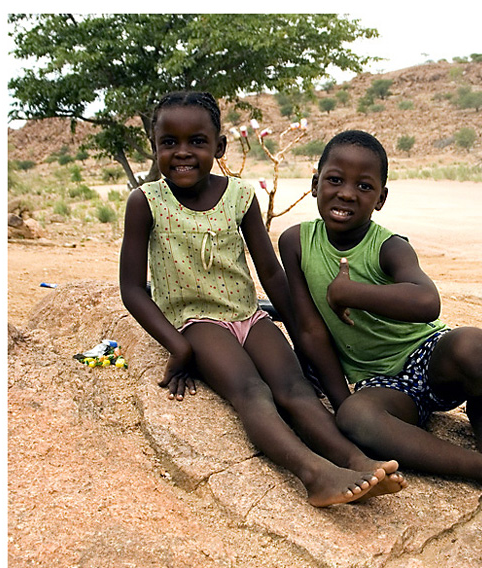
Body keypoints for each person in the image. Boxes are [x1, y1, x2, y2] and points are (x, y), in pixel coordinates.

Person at [119, 92, 405, 507]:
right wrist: (177, 346)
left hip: (247, 314)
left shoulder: (240, 196)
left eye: (197, 142)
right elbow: (131, 289)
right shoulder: (146, 202)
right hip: (196, 321)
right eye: (169, 143)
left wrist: (299, 326)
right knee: (252, 392)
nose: (183, 153)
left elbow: (270, 270)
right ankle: (314, 474)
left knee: (296, 387)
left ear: (219, 147)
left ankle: (355, 460)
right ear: (154, 145)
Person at [279, 130, 482, 494]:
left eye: (364, 186)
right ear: (315, 185)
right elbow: (310, 330)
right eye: (334, 180)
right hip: (384, 386)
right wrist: (344, 403)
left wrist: (351, 293)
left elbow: (427, 303)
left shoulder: (389, 246)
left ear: (381, 198)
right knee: (357, 418)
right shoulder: (295, 242)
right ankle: (481, 468)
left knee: (478, 347)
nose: (346, 193)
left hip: (430, 359)